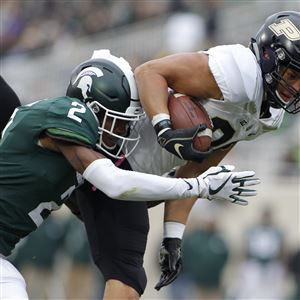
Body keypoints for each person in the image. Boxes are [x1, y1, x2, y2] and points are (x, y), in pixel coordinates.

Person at [0, 49, 260, 299]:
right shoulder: (67, 114)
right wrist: (199, 186)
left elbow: (131, 194)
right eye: (120, 120)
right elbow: (115, 183)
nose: (124, 131)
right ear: (94, 106)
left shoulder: (74, 151)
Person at [133, 10, 300, 290]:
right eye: (293, 74)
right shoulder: (239, 71)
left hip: (138, 180)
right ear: (270, 57)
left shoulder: (270, 116)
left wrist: (173, 238)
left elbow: (196, 172)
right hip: (114, 146)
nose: (296, 88)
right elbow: (148, 72)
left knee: (129, 281)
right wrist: (164, 127)